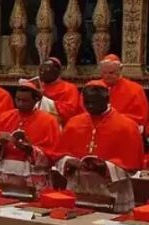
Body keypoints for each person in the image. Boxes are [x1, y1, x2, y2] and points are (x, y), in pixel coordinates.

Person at [57, 81, 142, 212]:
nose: (90, 106)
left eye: (95, 103)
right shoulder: (74, 123)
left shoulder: (126, 126)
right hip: (78, 185)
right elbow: (59, 154)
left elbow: (132, 164)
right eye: (87, 103)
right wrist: (68, 162)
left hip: (111, 189)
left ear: (107, 99)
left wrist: (105, 167)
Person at [0, 82, 60, 192]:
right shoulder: (5, 117)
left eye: (25, 101)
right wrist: (0, 143)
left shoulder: (48, 121)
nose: (20, 103)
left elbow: (52, 153)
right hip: (5, 171)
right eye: (17, 99)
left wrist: (29, 149)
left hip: (32, 173)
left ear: (36, 100)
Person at [99, 54, 148, 129]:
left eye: (111, 73)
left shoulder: (135, 89)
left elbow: (141, 117)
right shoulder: (93, 87)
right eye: (104, 73)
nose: (107, 76)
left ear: (120, 71)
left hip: (125, 128)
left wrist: (114, 120)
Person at [38, 57, 83, 124]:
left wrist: (44, 100)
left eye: (46, 70)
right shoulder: (38, 86)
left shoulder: (69, 88)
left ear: (57, 71)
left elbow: (70, 111)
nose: (41, 73)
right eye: (40, 70)